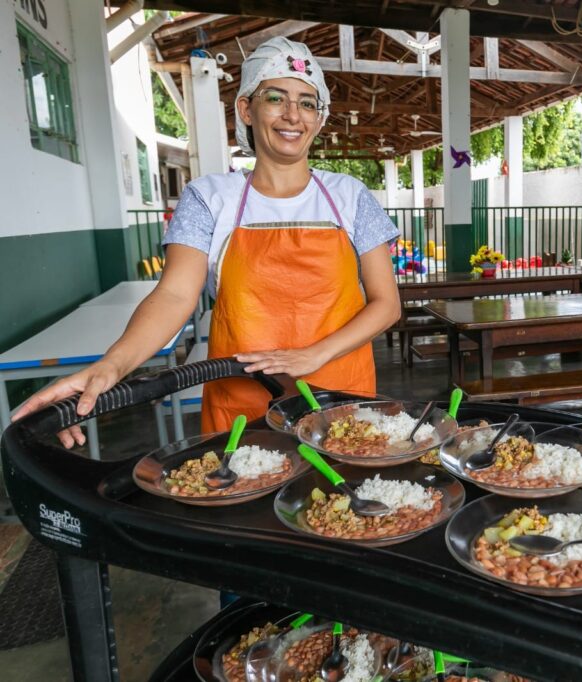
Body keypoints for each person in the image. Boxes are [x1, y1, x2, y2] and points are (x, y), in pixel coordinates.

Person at [12, 37, 401, 444]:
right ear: (246, 110)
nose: (293, 115)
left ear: (320, 119)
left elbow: (386, 304)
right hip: (244, 405)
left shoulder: (351, 196)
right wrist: (112, 365)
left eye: (307, 102)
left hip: (340, 396)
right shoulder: (209, 198)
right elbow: (176, 296)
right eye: (276, 98)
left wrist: (313, 355)